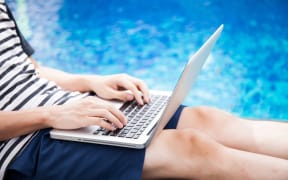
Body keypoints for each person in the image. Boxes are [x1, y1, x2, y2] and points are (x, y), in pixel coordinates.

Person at [1, 1, 288, 179]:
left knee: (208, 120)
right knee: (190, 149)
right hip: (25, 145)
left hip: (69, 108)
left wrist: (90, 82)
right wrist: (50, 116)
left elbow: (29, 69)